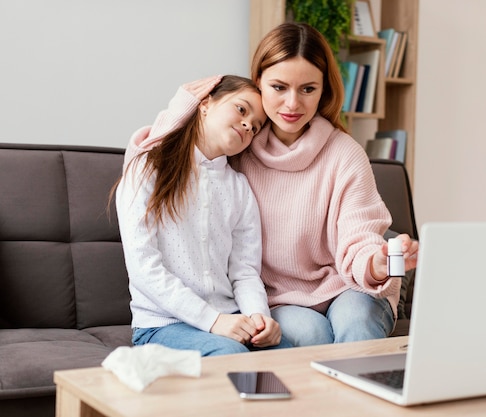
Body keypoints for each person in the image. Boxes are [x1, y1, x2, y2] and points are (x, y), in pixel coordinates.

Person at [124, 22, 419, 347]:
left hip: (349, 285)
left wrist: (376, 265)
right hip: (281, 298)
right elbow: (159, 156)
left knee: (357, 322)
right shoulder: (240, 145)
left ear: (324, 92)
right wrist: (186, 103)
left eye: (308, 89)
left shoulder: (345, 154)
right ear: (259, 84)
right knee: (310, 334)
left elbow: (359, 237)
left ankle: (363, 395)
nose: (292, 104)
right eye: (279, 87)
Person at [116, 75, 291, 356]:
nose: (248, 125)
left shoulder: (240, 188)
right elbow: (143, 268)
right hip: (164, 325)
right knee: (231, 356)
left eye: (256, 127)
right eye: (242, 109)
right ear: (206, 104)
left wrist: (260, 318)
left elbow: (244, 271)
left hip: (230, 318)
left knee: (295, 358)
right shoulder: (148, 168)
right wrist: (213, 321)